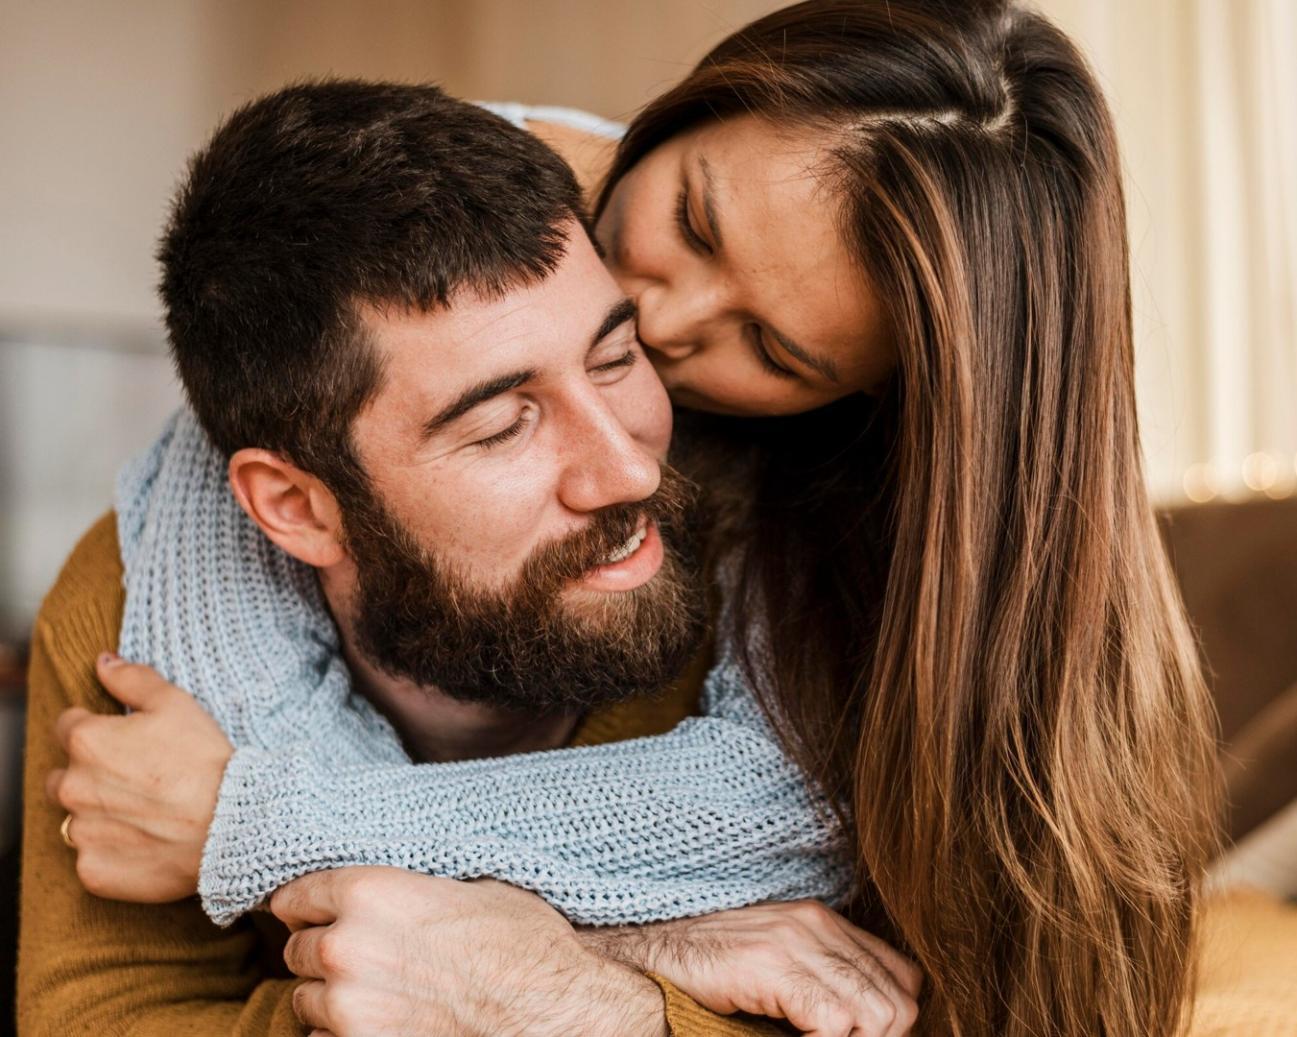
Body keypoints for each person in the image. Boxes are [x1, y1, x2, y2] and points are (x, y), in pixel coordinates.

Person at [38, 1, 1224, 1035]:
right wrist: (648, 943)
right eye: (696, 223)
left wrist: (578, 993)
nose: (657, 322)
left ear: (859, 394)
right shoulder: (498, 182)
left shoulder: (862, 585)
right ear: (678, 115)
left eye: (770, 345)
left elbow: (829, 894)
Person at [20, 81, 921, 1037]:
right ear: (294, 506)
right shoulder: (140, 601)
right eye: (501, 425)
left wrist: (577, 997)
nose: (626, 469)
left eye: (616, 359)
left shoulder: (819, 561)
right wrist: (624, 950)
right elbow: (103, 1016)